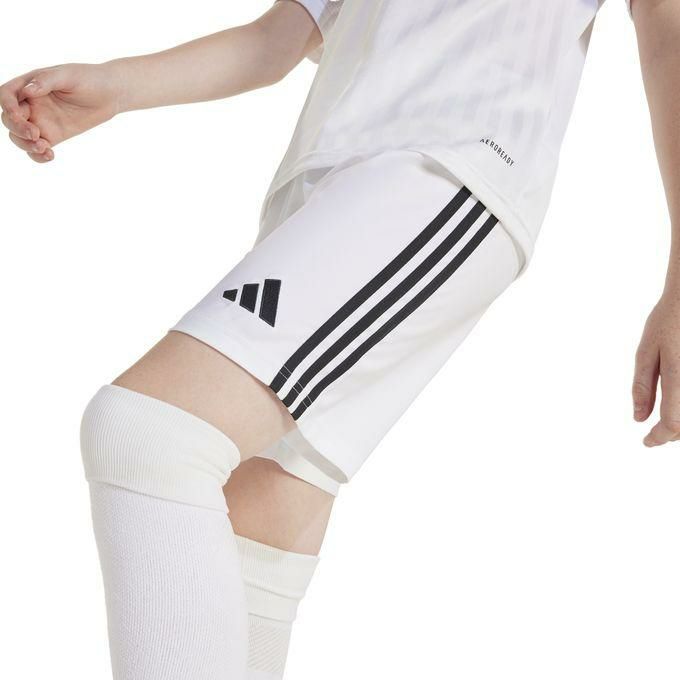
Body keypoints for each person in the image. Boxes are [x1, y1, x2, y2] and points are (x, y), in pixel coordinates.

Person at [2, 0, 679, 678]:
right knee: (250, 541)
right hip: (326, 188)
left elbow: (667, 30)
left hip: (447, 166)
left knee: (149, 434)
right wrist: (117, 85)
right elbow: (277, 39)